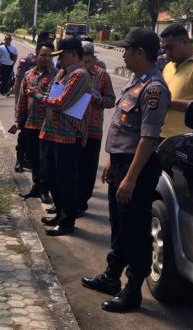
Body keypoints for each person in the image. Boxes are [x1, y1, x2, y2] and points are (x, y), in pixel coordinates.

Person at [82, 27, 170, 313]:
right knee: (119, 224)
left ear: (140, 52)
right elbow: (125, 128)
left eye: (126, 49)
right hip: (123, 163)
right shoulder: (137, 81)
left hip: (137, 169)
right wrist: (112, 160)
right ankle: (111, 276)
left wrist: (130, 178)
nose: (123, 54)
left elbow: (148, 139)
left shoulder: (154, 88)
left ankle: (132, 291)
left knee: (134, 229)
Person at [31, 37, 91, 236]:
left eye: (62, 55)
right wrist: (44, 95)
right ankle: (59, 214)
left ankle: (67, 222)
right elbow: (52, 95)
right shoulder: (63, 73)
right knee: (51, 176)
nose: (59, 60)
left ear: (74, 54)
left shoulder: (79, 75)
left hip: (68, 136)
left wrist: (38, 96)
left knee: (66, 180)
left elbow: (61, 103)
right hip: (51, 132)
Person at [12, 42, 57, 204]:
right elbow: (23, 100)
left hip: (48, 125)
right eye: (43, 55)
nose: (47, 58)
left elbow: (56, 101)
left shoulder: (57, 75)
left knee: (46, 159)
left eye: (50, 55)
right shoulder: (28, 75)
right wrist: (18, 120)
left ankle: (45, 190)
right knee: (33, 159)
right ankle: (36, 187)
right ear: (36, 55)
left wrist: (39, 94)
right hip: (30, 124)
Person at [77, 41, 115, 215]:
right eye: (81, 61)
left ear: (93, 59)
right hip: (73, 128)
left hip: (93, 129)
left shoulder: (102, 76)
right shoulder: (71, 73)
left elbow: (111, 100)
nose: (84, 66)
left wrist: (99, 100)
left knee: (88, 168)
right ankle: (66, 202)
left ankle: (81, 202)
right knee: (70, 167)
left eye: (87, 62)